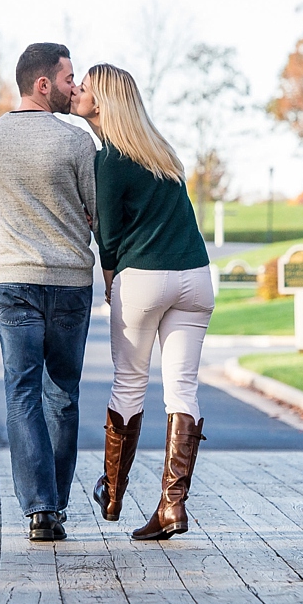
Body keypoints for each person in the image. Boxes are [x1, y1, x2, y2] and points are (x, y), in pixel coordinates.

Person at [71, 63, 213, 541]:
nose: (77, 92)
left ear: (102, 101)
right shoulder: (162, 152)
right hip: (195, 278)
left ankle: (111, 494)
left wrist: (110, 282)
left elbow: (108, 238)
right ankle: (172, 506)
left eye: (85, 88)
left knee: (130, 383)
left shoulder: (109, 159)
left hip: (143, 279)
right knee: (183, 391)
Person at [0, 42, 97, 543]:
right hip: (69, 282)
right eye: (69, 79)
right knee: (62, 395)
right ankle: (57, 504)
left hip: (14, 282)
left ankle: (39, 510)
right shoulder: (76, 143)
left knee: (21, 393)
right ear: (42, 84)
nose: (74, 87)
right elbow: (96, 212)